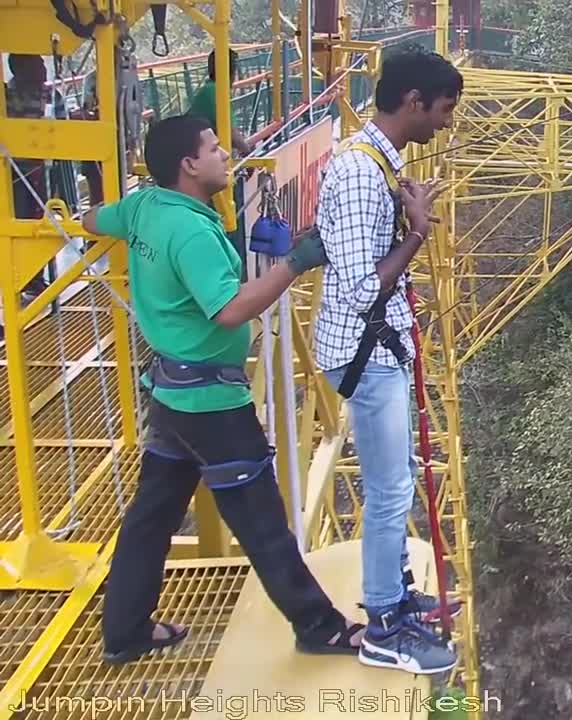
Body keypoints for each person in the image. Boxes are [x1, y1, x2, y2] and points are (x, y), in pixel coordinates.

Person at [83, 114, 365, 665]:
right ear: (189, 165)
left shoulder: (145, 206)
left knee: (151, 517)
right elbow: (231, 309)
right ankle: (319, 626)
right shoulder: (191, 232)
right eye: (214, 148)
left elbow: (97, 220)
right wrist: (294, 264)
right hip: (210, 404)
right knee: (260, 519)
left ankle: (125, 632)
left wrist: (69, 219)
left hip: (171, 394)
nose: (226, 154)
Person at [313, 46, 463, 675]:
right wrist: (418, 231)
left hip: (379, 347)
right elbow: (357, 285)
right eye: (444, 110)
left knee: (397, 472)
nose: (446, 123)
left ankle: (395, 594)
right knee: (390, 487)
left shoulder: (379, 163)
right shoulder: (357, 173)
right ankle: (383, 624)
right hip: (364, 352)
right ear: (413, 102)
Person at [5, 53, 52, 300]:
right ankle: (17, 281)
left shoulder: (48, 94)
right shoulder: (7, 96)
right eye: (37, 63)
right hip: (13, 173)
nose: (43, 68)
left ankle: (35, 277)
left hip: (37, 169)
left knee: (40, 220)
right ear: (20, 68)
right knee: (20, 222)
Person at [187, 48, 255, 156]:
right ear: (231, 72)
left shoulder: (211, 88)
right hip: (197, 155)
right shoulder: (215, 92)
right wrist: (248, 152)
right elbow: (232, 134)